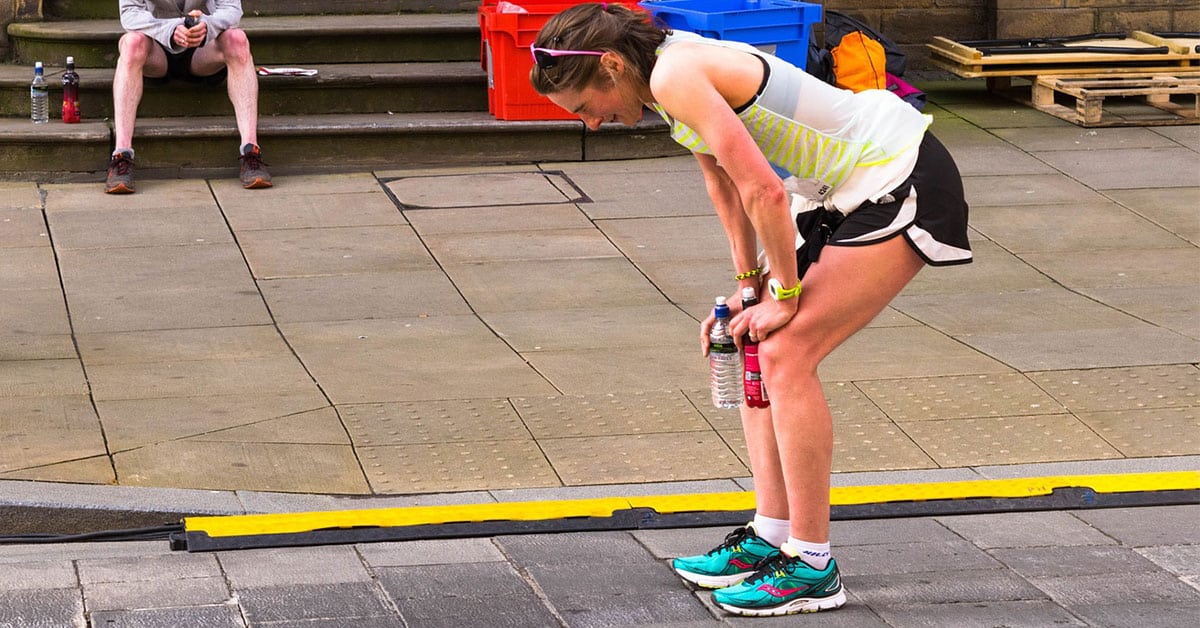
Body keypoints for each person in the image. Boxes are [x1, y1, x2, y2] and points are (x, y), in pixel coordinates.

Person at [530, 3, 971, 618]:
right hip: (842, 188)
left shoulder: (672, 75)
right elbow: (723, 184)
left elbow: (763, 187)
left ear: (610, 65)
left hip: (897, 172)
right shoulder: (662, 78)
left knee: (788, 352)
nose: (594, 124)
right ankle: (770, 535)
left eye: (584, 107)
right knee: (750, 338)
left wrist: (784, 295)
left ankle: (813, 565)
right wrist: (749, 286)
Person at [106, 0, 271, 193]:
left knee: (238, 39)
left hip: (204, 49)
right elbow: (130, 13)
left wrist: (206, 24)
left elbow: (232, 9)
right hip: (156, 48)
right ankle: (121, 156)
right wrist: (170, 28)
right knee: (130, 43)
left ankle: (251, 152)